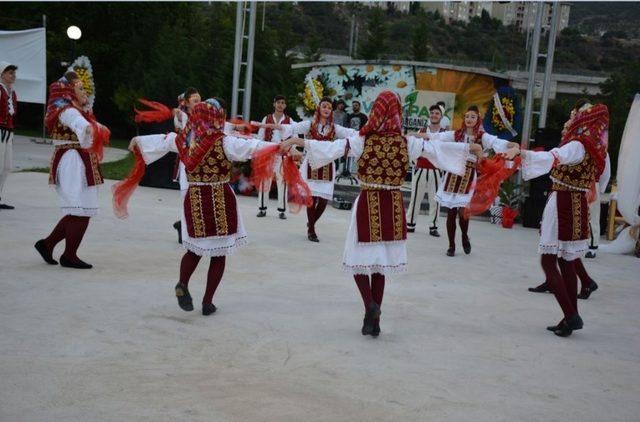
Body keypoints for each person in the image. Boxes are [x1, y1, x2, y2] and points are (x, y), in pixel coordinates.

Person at [280, 91, 478, 337]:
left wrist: (297, 142)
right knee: (380, 266)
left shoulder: (364, 140)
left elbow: (331, 148)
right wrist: (473, 148)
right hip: (393, 205)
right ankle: (374, 320)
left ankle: (369, 306)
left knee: (358, 261)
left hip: (369, 201)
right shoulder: (407, 142)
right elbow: (439, 150)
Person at [129, 99, 277, 315]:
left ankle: (182, 282)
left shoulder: (184, 140)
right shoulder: (224, 142)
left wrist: (138, 141)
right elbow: (252, 147)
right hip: (219, 198)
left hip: (195, 197)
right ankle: (207, 302)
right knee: (219, 253)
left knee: (195, 249)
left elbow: (163, 141)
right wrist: (281, 147)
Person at [506, 101, 609, 337]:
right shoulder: (595, 146)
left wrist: (521, 153)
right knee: (566, 261)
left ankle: (571, 315)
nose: (570, 119)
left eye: (574, 115)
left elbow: (556, 156)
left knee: (548, 261)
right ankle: (569, 317)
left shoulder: (578, 144)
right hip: (576, 201)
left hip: (563, 200)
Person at [34, 71, 110, 269]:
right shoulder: (65, 109)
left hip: (80, 159)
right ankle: (68, 255)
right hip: (72, 160)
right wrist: (93, 129)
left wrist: (98, 127)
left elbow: (89, 124)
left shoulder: (77, 109)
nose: (84, 91)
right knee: (79, 210)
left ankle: (48, 244)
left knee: (80, 209)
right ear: (69, 90)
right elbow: (80, 124)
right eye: (80, 88)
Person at [424, 105, 516, 256]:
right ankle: (451, 245)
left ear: (477, 119)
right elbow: (437, 137)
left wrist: (513, 146)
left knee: (462, 212)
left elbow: (497, 143)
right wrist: (418, 136)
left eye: (472, 117)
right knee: (451, 212)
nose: (469, 119)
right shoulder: (456, 134)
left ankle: (464, 236)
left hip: (468, 175)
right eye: (467, 116)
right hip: (452, 173)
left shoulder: (482, 137)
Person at [265, 97, 358, 242]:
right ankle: (311, 230)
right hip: (311, 163)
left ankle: (311, 223)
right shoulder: (310, 124)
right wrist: (274, 126)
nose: (326, 109)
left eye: (329, 107)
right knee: (311, 197)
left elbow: (351, 133)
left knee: (323, 200)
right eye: (324, 106)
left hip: (327, 164)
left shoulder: (335, 127)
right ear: (319, 109)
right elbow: (292, 128)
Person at [406, 104, 447, 236]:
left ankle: (433, 226)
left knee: (435, 200)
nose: (434, 115)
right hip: (421, 168)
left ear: (441, 116)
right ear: (429, 115)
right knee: (415, 198)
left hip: (436, 170)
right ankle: (410, 224)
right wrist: (414, 163)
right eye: (432, 113)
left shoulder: (444, 133)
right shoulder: (421, 131)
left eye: (437, 113)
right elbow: (413, 148)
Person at [256, 94, 294, 219]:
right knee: (264, 181)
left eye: (283, 103)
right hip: (268, 154)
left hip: (282, 155)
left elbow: (293, 138)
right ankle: (262, 208)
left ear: (285, 105)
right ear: (274, 104)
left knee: (282, 181)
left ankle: (282, 210)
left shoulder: (289, 121)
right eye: (278, 102)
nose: (280, 105)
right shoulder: (266, 119)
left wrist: (291, 151)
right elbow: (260, 137)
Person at [171, 87, 201, 243]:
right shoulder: (183, 115)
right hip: (186, 160)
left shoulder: (202, 116)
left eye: (199, 100)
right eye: (195, 100)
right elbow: (178, 119)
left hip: (198, 160)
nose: (199, 102)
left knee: (194, 193)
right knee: (186, 193)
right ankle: (186, 231)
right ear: (187, 103)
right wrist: (177, 112)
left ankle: (184, 225)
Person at [0, 61, 18, 210]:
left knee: (7, 167)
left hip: (8, 133)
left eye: (14, 73)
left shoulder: (12, 92)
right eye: (10, 72)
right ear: (2, 74)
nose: (13, 75)